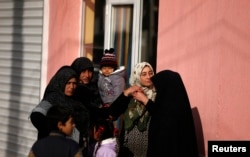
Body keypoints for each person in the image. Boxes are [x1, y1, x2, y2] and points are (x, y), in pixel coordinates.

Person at [109, 68, 199, 157]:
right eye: (144, 74)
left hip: (149, 149)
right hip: (128, 149)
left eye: (150, 73)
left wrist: (146, 101)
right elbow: (112, 113)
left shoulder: (160, 96)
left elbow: (164, 117)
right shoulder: (130, 96)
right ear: (137, 76)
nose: (148, 77)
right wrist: (126, 93)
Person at [30, 66, 89, 147]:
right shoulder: (53, 98)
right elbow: (36, 115)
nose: (72, 87)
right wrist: (54, 131)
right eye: (68, 83)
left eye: (74, 83)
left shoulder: (76, 100)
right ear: (61, 82)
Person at [98, 48, 126, 135]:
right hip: (105, 105)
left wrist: (113, 106)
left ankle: (115, 132)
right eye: (104, 68)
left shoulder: (117, 78)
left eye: (110, 68)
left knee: (114, 123)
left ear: (114, 68)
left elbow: (118, 93)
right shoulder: (101, 77)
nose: (106, 70)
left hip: (113, 105)